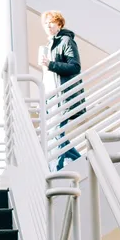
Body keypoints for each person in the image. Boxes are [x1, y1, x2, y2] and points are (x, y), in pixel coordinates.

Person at [39, 10, 85, 172]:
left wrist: (51, 64)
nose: (48, 25)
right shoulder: (50, 45)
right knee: (55, 136)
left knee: (56, 135)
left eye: (52, 22)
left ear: (59, 24)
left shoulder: (66, 41)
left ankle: (56, 169)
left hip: (62, 96)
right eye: (46, 23)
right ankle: (84, 163)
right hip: (51, 97)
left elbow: (75, 66)